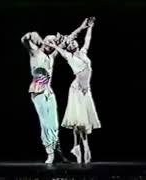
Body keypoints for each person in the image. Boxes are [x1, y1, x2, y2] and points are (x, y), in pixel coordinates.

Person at [20, 19, 87, 163]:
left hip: (48, 92)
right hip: (38, 92)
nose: (52, 45)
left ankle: (58, 152)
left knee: (55, 124)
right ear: (44, 42)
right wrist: (32, 34)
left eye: (53, 44)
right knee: (46, 124)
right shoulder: (35, 53)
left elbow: (68, 38)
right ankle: (50, 153)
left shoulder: (51, 56)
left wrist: (81, 27)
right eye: (50, 42)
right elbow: (24, 39)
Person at [46, 17, 101, 164]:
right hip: (76, 90)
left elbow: (87, 39)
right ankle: (84, 147)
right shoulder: (69, 56)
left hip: (85, 90)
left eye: (73, 41)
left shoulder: (83, 52)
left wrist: (89, 27)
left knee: (82, 121)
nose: (73, 42)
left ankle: (79, 147)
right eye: (70, 43)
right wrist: (54, 43)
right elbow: (59, 49)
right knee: (79, 121)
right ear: (69, 48)